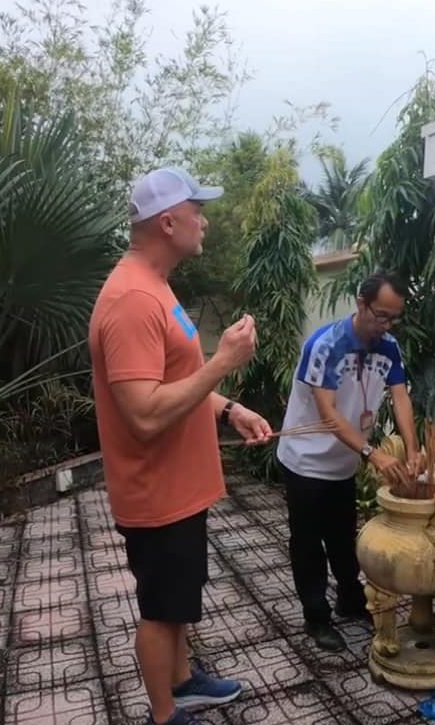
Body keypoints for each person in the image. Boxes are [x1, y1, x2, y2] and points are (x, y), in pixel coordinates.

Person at [89, 167, 274, 725]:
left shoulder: (158, 286)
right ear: (168, 222)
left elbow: (174, 380)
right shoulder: (130, 301)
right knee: (161, 610)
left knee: (179, 599)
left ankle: (184, 679)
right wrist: (224, 363)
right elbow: (144, 415)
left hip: (181, 489)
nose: (206, 221)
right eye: (198, 210)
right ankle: (165, 713)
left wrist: (228, 407)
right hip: (156, 492)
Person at [275, 271, 424, 651]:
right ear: (361, 304)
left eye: (394, 317)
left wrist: (412, 448)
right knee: (308, 544)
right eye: (381, 315)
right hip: (306, 462)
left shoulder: (388, 346)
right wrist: (372, 453)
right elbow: (328, 413)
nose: (387, 325)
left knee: (343, 537)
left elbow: (401, 397)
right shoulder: (325, 345)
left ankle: (349, 599)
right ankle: (316, 616)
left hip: (343, 461)